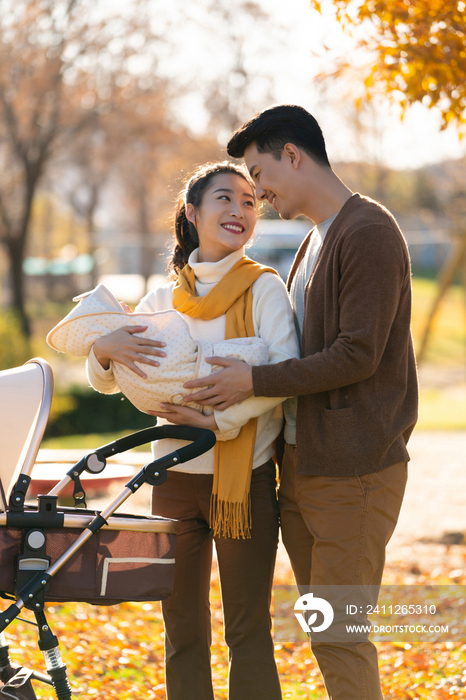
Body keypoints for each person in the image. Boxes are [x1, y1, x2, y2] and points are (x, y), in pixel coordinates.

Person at [182, 106, 419, 700]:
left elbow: (356, 354)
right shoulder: (317, 239)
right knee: (326, 633)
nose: (256, 192)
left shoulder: (367, 232)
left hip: (356, 473)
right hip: (307, 471)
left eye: (260, 173)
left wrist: (252, 381)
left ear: (293, 155)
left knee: (341, 636)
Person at [86, 160, 300, 700]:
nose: (240, 210)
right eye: (225, 198)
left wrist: (216, 422)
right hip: (172, 481)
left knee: (248, 631)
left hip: (243, 482)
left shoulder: (264, 291)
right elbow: (114, 378)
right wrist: (102, 352)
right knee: (182, 631)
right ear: (193, 212)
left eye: (251, 202)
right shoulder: (162, 301)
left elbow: (282, 376)